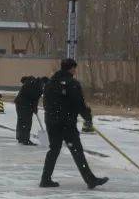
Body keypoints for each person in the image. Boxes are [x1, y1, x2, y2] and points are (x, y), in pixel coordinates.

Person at [39, 58, 108, 189]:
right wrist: (87, 118)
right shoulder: (72, 83)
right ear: (71, 68)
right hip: (67, 124)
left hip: (52, 122)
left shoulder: (50, 83)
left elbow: (46, 103)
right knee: (77, 151)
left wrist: (54, 115)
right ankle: (90, 180)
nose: (75, 71)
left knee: (54, 150)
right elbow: (79, 104)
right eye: (75, 68)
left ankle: (45, 179)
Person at [14, 75, 45, 145]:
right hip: (25, 105)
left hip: (20, 103)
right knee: (27, 122)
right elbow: (34, 99)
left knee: (21, 121)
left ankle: (20, 138)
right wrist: (35, 108)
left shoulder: (31, 82)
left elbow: (32, 97)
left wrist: (34, 108)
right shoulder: (38, 87)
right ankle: (25, 140)